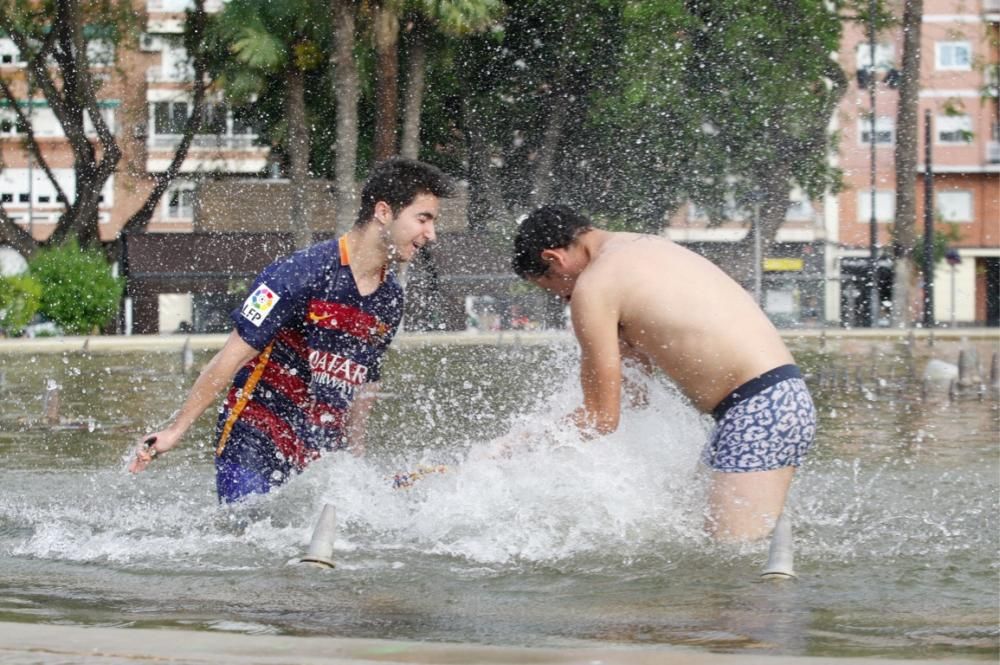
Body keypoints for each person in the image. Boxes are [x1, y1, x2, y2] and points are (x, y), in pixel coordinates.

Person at [129, 158, 455, 503]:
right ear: (384, 212)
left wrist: (353, 463)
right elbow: (231, 356)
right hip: (255, 437)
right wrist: (175, 431)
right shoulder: (297, 273)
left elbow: (364, 385)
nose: (430, 234)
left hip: (318, 449)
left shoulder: (389, 298)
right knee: (248, 535)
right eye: (423, 219)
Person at [510, 205, 816, 541]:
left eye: (554, 289)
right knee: (705, 540)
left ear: (554, 259)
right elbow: (636, 394)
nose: (565, 300)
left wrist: (513, 448)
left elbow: (601, 418)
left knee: (729, 563)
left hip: (756, 413)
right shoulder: (645, 246)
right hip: (778, 399)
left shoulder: (594, 287)